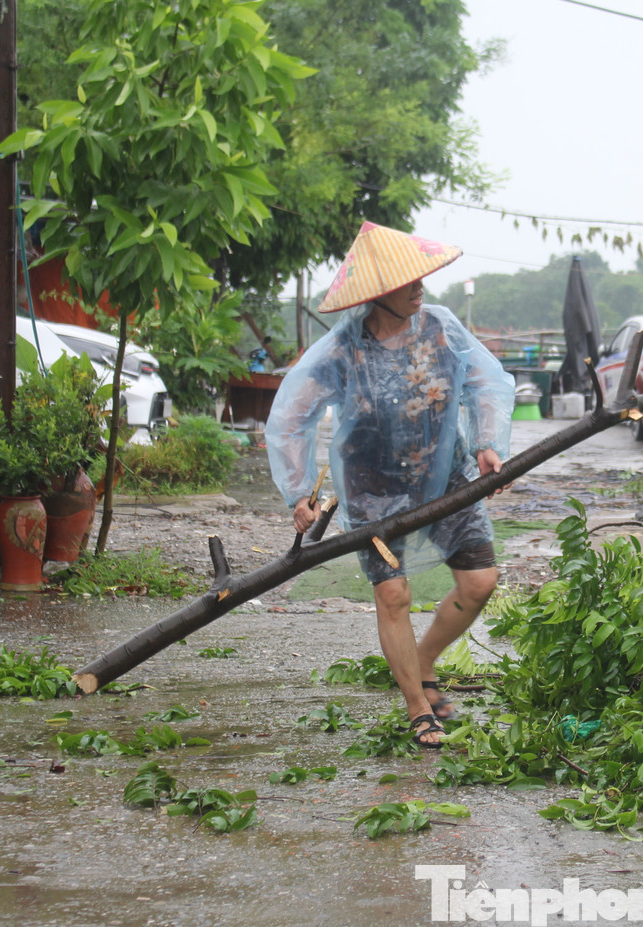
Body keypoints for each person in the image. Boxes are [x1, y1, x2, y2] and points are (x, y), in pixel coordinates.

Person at [265, 222, 515, 748]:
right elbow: (292, 416)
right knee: (394, 593)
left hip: (447, 474)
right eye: (407, 280)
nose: (420, 285)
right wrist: (300, 491)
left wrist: (489, 442)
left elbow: (486, 382)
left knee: (480, 583)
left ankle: (423, 660)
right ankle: (418, 706)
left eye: (420, 275)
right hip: (372, 488)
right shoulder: (343, 351)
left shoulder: (442, 327)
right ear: (379, 293)